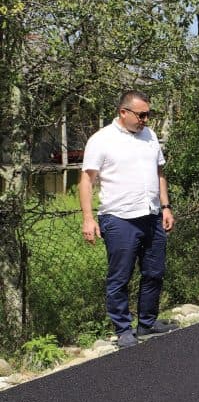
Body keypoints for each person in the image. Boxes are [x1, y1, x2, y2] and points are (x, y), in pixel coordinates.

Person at [79, 90, 178, 349]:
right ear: (124, 112)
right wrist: (88, 218)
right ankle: (123, 329)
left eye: (148, 114)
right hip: (119, 219)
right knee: (120, 277)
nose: (146, 119)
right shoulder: (101, 140)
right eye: (142, 114)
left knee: (154, 272)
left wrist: (166, 207)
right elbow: (86, 181)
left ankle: (147, 323)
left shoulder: (149, 136)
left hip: (152, 215)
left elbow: (160, 172)